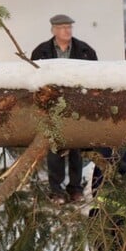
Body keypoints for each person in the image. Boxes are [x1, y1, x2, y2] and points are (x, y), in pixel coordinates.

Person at [31, 13, 98, 203]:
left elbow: (95, 77)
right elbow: (35, 81)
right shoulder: (41, 52)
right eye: (62, 28)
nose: (67, 30)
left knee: (75, 149)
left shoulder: (85, 51)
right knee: (55, 149)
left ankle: (75, 189)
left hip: (77, 107)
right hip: (51, 108)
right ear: (53, 30)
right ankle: (56, 190)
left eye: (69, 27)